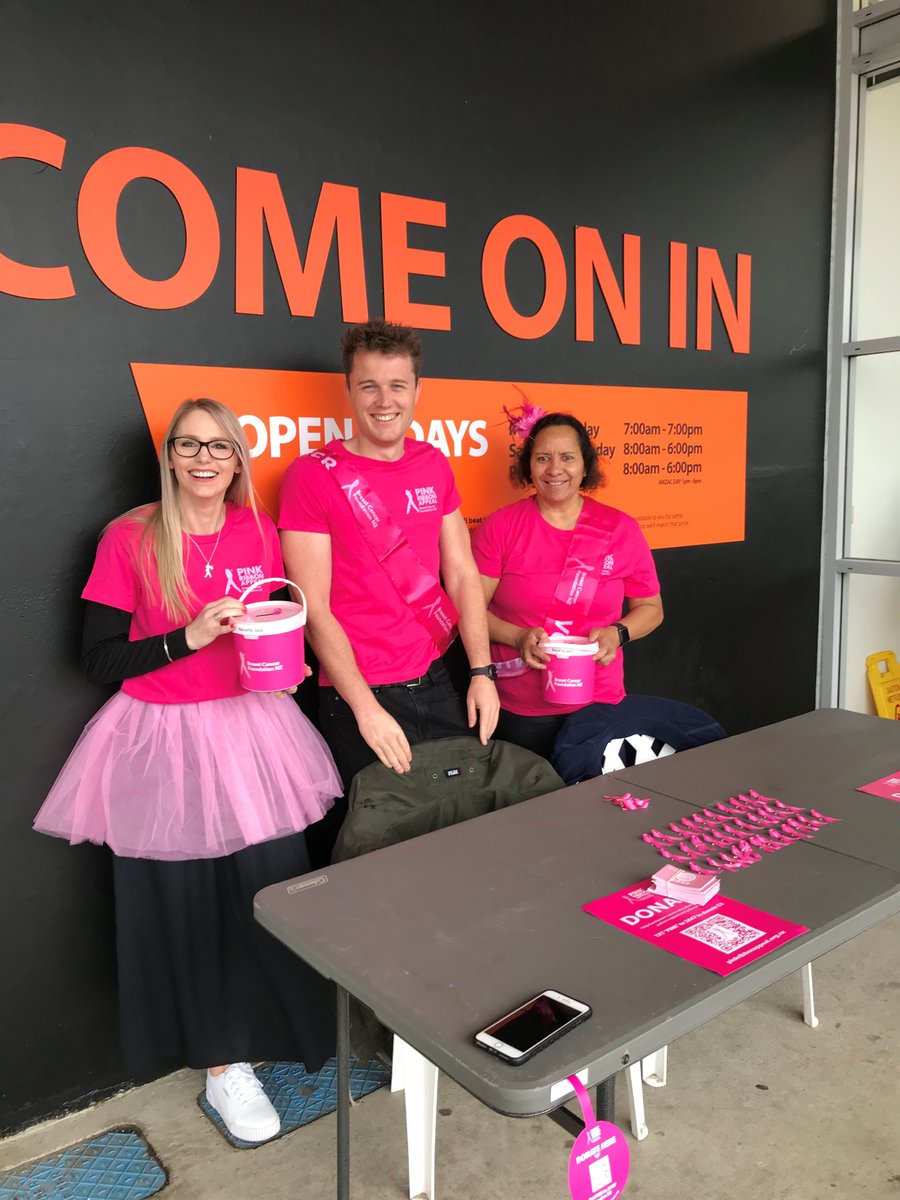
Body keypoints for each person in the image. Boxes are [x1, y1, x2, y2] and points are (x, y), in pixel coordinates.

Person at [34, 399, 342, 1144]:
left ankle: (273, 1035)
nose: (205, 459)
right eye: (189, 445)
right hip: (162, 739)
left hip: (253, 733)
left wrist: (284, 663)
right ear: (169, 456)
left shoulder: (258, 529)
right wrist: (187, 637)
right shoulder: (130, 536)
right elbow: (99, 658)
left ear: (238, 459)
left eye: (220, 447)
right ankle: (220, 1067)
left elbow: (273, 621)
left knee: (265, 895)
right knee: (185, 908)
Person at [279, 318, 499, 858]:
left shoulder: (432, 463)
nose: (384, 400)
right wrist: (365, 709)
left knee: (456, 831)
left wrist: (481, 672)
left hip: (438, 681)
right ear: (348, 389)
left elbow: (463, 574)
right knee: (374, 850)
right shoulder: (311, 476)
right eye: (369, 385)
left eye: (397, 385)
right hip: (359, 696)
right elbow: (312, 607)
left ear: (417, 391)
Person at [471, 412, 663, 761]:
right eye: (543, 458)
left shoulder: (620, 529)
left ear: (585, 466)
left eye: (567, 457)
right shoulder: (500, 528)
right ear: (528, 467)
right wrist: (517, 637)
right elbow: (469, 613)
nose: (554, 469)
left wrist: (616, 633)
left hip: (599, 703)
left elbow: (651, 609)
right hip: (521, 708)